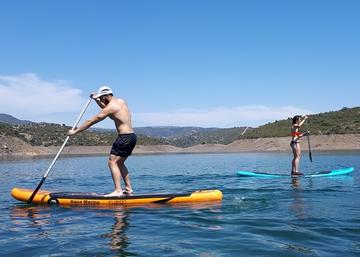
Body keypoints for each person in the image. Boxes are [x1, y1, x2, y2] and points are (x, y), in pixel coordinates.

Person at [68, 86, 137, 197]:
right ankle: (128, 188)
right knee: (120, 163)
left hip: (123, 137)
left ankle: (118, 190)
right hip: (132, 137)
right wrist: (96, 100)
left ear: (106, 96)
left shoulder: (111, 107)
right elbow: (109, 111)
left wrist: (76, 131)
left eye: (101, 98)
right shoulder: (121, 102)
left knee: (112, 162)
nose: (101, 100)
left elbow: (92, 120)